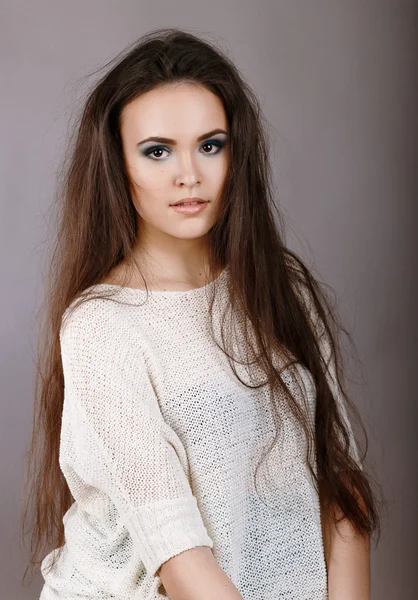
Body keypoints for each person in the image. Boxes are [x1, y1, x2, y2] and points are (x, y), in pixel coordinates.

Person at [20, 27, 381, 600]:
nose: (189, 174)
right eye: (157, 151)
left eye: (211, 144)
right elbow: (180, 559)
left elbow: (344, 491)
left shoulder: (279, 284)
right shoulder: (103, 326)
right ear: (118, 164)